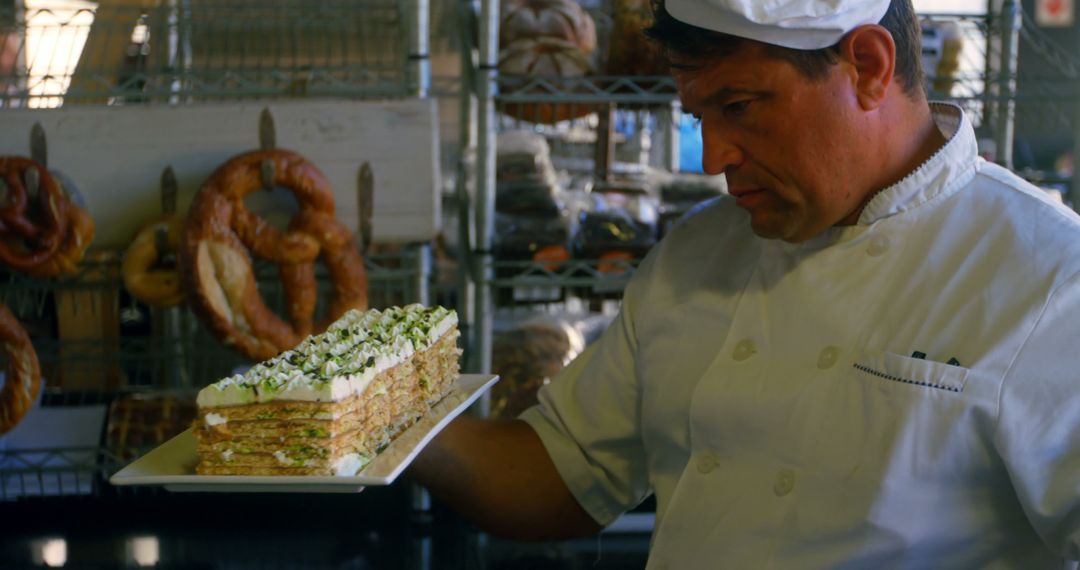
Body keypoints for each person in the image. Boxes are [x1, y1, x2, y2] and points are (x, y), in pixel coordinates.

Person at [409, 0, 1080, 566]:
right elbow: (561, 469)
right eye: (699, 116)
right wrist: (361, 420)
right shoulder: (697, 253)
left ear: (869, 67)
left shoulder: (1049, 277)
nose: (714, 157)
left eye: (739, 105)